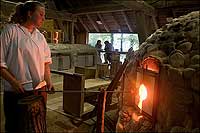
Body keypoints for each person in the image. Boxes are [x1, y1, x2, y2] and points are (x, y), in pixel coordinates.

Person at [0, 1, 54, 132]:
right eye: (41, 14)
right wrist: (13, 82)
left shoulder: (40, 37)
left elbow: (46, 62)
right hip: (16, 91)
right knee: (15, 127)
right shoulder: (11, 31)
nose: (44, 18)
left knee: (36, 126)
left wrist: (48, 81)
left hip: (38, 92)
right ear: (30, 14)